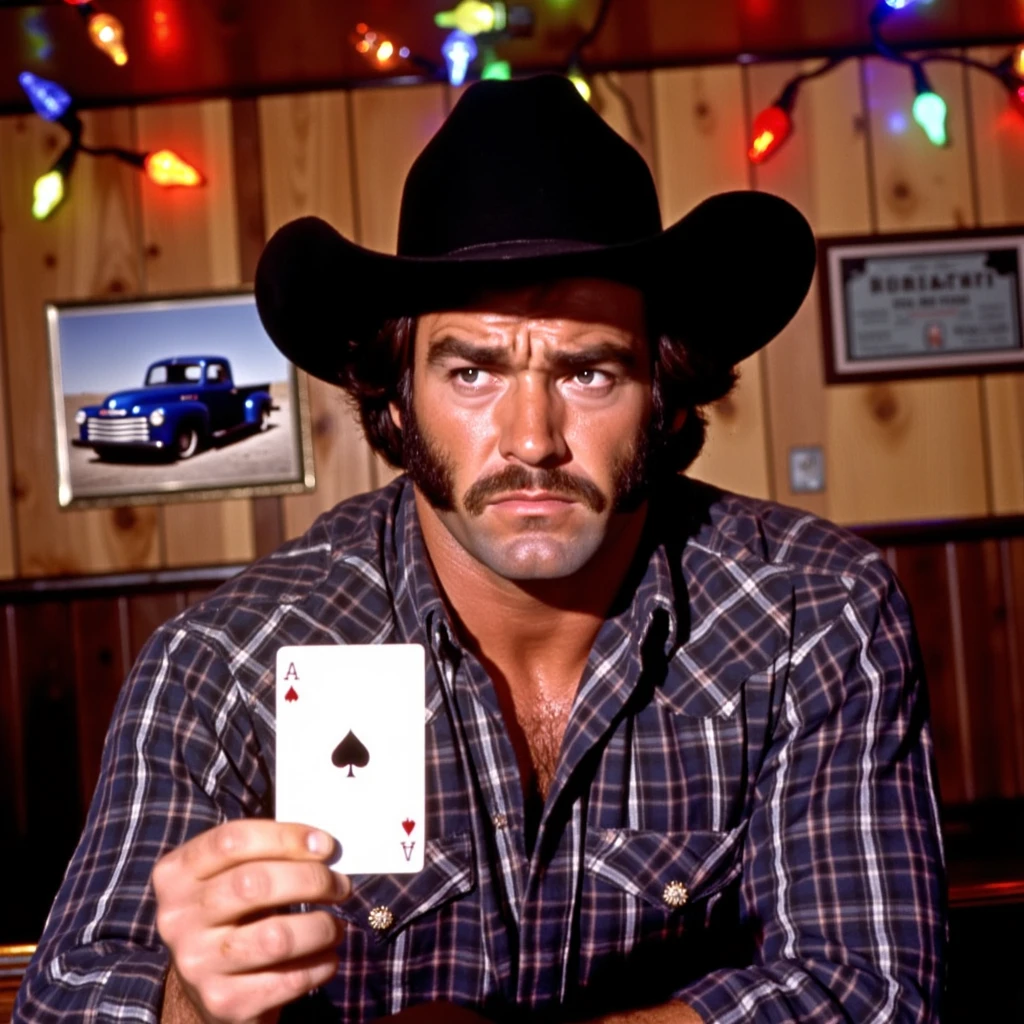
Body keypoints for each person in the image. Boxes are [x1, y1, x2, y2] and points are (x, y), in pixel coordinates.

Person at [15, 75, 945, 1024]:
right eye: (471, 371)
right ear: (397, 395)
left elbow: (865, 990)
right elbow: (64, 1003)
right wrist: (185, 1006)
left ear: (663, 390)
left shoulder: (810, 611)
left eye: (588, 371)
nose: (532, 438)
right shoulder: (228, 658)